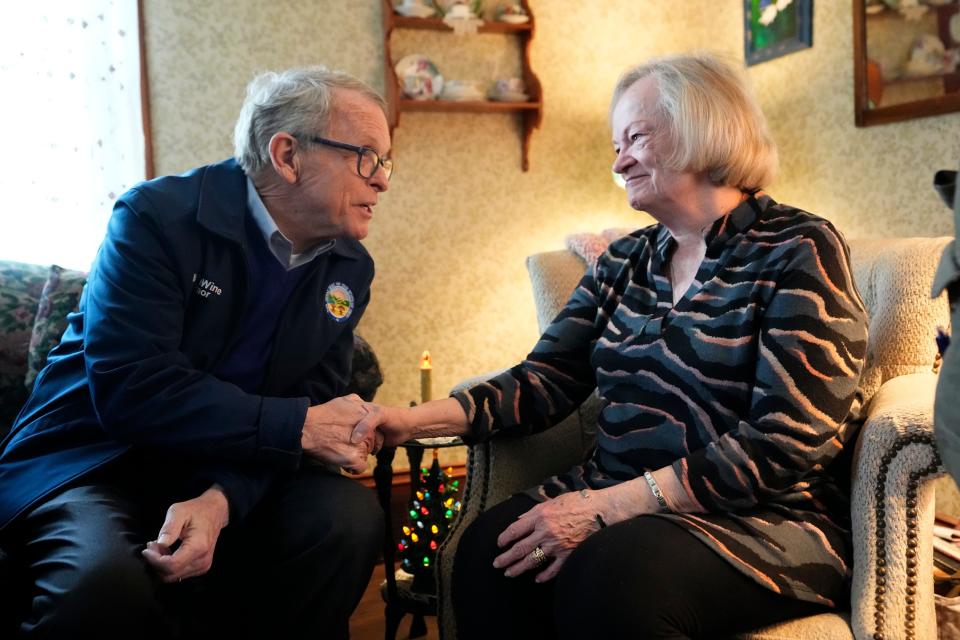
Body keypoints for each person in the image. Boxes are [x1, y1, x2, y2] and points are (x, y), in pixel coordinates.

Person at [353, 52, 869, 639]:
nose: (618, 160)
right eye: (615, 143)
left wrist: (612, 508)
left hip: (762, 516)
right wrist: (406, 420)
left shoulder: (797, 247)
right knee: (489, 554)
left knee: (614, 576)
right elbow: (542, 380)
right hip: (614, 494)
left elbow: (788, 435)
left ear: (702, 128)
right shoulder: (626, 260)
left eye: (635, 137)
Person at [0, 66, 390, 638]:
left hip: (225, 467)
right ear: (287, 155)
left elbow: (311, 410)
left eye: (385, 162)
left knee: (347, 521)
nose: (382, 181)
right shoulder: (155, 218)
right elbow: (134, 387)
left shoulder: (350, 268)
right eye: (365, 157)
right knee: (103, 584)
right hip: (94, 460)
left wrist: (221, 498)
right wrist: (299, 425)